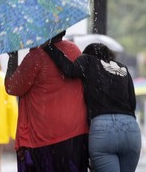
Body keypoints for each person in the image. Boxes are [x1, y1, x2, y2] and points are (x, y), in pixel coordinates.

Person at [44, 41, 142, 172]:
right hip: (130, 129)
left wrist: (49, 47)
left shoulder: (88, 60)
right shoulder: (123, 68)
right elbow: (132, 103)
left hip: (103, 128)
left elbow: (69, 69)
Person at [5, 31, 89, 172]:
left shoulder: (36, 57)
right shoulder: (74, 50)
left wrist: (13, 57)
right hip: (76, 134)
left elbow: (12, 87)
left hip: (45, 137)